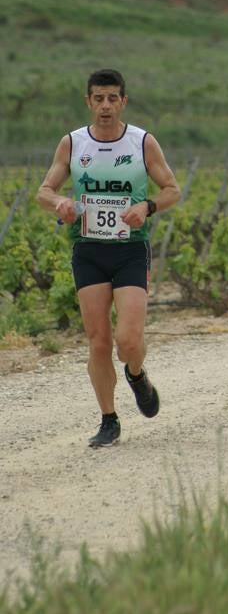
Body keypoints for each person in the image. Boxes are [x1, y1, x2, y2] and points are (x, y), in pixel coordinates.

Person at [37, 69, 181, 448]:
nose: (105, 106)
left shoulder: (142, 142)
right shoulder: (72, 143)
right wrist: (61, 203)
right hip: (88, 250)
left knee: (128, 340)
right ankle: (109, 419)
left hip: (130, 249)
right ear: (88, 101)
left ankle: (136, 375)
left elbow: (172, 190)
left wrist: (146, 206)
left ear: (123, 102)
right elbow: (44, 191)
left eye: (112, 98)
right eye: (98, 98)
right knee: (98, 340)